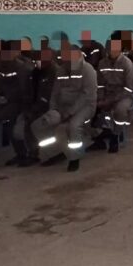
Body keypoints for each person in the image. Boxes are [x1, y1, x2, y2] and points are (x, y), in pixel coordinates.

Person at [32, 43, 97, 172]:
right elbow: (55, 93)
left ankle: (74, 158)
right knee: (38, 126)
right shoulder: (61, 70)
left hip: (85, 107)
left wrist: (69, 112)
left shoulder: (88, 70)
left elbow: (86, 96)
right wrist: (53, 109)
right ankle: (54, 152)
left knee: (73, 126)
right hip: (62, 108)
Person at [9, 42, 57, 167]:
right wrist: (26, 108)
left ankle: (37, 154)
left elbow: (49, 96)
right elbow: (28, 93)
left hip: (50, 107)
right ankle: (21, 154)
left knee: (32, 124)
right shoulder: (35, 73)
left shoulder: (54, 73)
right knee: (14, 123)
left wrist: (34, 110)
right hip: (34, 107)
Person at [87, 33, 133, 154]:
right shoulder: (102, 63)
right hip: (107, 94)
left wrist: (110, 100)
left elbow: (129, 88)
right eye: (109, 49)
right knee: (90, 108)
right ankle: (99, 137)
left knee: (120, 111)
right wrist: (101, 98)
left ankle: (115, 135)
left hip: (124, 95)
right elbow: (100, 84)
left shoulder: (127, 63)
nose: (111, 51)